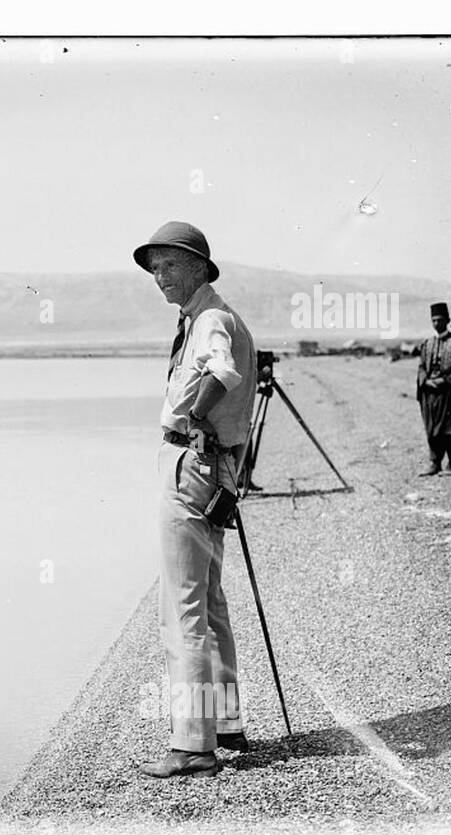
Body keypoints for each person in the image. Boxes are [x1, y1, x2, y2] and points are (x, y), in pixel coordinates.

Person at [132, 221, 258, 778]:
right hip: (212, 466)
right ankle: (226, 725)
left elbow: (223, 372)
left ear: (200, 268)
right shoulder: (212, 317)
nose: (160, 278)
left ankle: (192, 746)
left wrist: (195, 416)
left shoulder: (209, 319)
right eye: (155, 268)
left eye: (170, 266)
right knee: (210, 604)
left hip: (189, 464)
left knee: (182, 610)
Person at [416, 302, 451, 476]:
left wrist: (445, 380)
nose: (436, 324)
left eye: (439, 320)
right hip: (431, 395)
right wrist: (427, 382)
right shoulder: (427, 344)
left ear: (447, 320)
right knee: (432, 429)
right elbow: (422, 366)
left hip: (450, 393)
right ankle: (435, 462)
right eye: (433, 320)